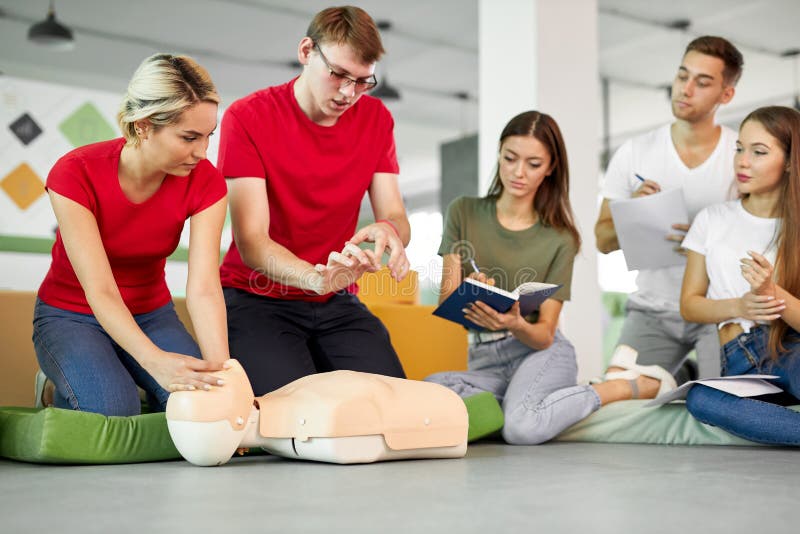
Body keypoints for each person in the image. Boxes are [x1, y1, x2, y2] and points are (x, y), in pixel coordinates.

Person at [425, 111, 665, 445]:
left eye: (533, 164)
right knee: (432, 389)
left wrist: (513, 323)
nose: (518, 172)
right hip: (484, 360)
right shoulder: (463, 211)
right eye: (510, 158)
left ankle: (615, 387)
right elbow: (446, 298)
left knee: (522, 429)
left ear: (551, 167)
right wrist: (474, 290)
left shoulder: (560, 238)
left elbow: (544, 335)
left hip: (540, 352)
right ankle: (526, 404)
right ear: (499, 153)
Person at [217, 6, 410, 395]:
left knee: (393, 403)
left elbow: (394, 215)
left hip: (336, 299)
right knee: (293, 412)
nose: (347, 93)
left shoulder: (377, 119)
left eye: (361, 81)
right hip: (258, 295)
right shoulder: (247, 117)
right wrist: (313, 278)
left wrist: (388, 231)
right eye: (338, 74)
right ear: (306, 51)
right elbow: (253, 242)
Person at [32, 53, 229, 416]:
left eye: (208, 136)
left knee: (204, 405)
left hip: (151, 314)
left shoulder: (207, 181)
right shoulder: (74, 174)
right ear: (143, 126)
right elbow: (101, 292)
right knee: (114, 410)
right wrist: (154, 362)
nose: (202, 152)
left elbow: (203, 288)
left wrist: (223, 375)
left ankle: (121, 372)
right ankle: (57, 384)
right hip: (72, 314)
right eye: (189, 137)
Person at [594, 36, 744, 388]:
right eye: (682, 76)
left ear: (726, 95)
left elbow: (763, 236)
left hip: (718, 310)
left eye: (702, 82)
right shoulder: (635, 153)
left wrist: (704, 237)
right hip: (653, 310)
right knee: (618, 406)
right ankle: (675, 376)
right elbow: (601, 241)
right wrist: (631, 212)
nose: (685, 89)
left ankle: (683, 376)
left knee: (721, 409)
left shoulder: (740, 156)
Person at [680, 106, 800, 446]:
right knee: (700, 399)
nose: (742, 161)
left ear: (791, 162)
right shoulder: (712, 218)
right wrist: (742, 305)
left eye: (759, 152)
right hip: (738, 358)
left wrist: (770, 291)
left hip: (789, 347)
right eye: (739, 148)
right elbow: (689, 305)